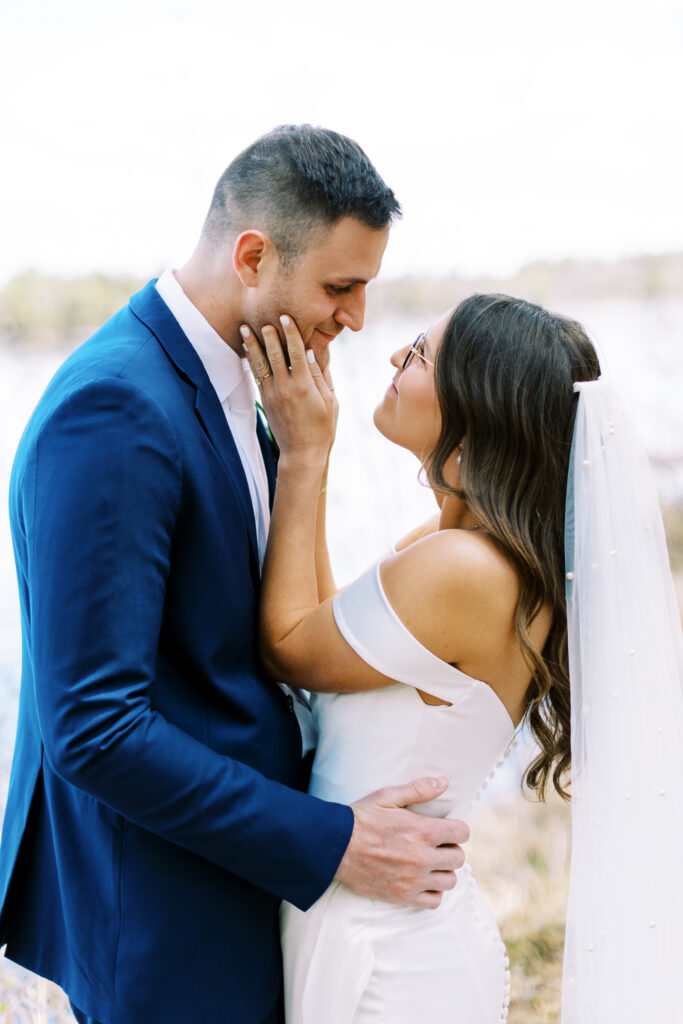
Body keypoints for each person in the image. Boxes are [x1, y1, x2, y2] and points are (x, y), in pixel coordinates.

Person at [0, 126, 470, 1024]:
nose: (358, 319)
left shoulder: (246, 388)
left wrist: (306, 457)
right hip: (166, 921)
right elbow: (92, 728)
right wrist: (332, 843)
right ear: (253, 255)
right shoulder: (116, 408)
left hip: (238, 885)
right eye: (341, 286)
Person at [242, 292, 683, 1022]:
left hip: (394, 964)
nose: (391, 358)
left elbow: (287, 647)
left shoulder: (466, 568)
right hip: (371, 921)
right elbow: (325, 629)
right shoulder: (455, 542)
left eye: (416, 354)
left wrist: (304, 453)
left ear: (476, 406)